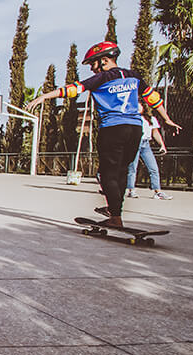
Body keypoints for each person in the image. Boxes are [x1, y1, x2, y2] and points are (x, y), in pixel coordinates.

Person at [27, 41, 180, 228]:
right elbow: (153, 99)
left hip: (113, 129)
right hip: (134, 129)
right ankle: (116, 213)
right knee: (122, 171)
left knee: (107, 174)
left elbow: (72, 90)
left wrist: (44, 96)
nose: (92, 68)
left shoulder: (102, 78)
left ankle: (114, 217)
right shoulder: (134, 76)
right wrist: (166, 119)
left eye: (93, 63)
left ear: (105, 60)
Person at [125, 104, 172, 200]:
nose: (137, 108)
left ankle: (157, 192)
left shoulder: (151, 119)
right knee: (133, 167)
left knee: (153, 168)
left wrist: (162, 145)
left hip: (146, 144)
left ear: (144, 107)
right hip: (134, 143)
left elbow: (155, 132)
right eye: (135, 106)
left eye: (139, 106)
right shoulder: (131, 119)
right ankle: (131, 190)